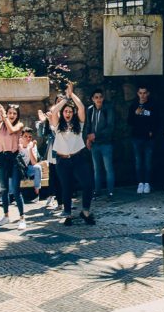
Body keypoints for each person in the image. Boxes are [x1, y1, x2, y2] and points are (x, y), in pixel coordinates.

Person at [49, 83, 96, 226]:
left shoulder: (79, 124)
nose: (67, 113)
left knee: (88, 184)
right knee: (66, 187)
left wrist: (72, 94)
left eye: (70, 111)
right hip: (63, 160)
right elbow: (53, 112)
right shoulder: (57, 125)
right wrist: (65, 99)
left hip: (78, 158)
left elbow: (81, 107)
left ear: (73, 113)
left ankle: (85, 211)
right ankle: (68, 214)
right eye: (65, 111)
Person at [0, 102, 27, 229]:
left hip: (14, 159)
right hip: (3, 158)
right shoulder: (3, 124)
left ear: (17, 115)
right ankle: (6, 216)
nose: (12, 115)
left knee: (16, 190)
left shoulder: (19, 125)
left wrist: (4, 116)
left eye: (14, 113)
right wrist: (0, 120)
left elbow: (12, 131)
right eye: (9, 112)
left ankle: (22, 218)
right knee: (4, 189)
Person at [85, 88, 115, 200]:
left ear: (103, 98)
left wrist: (96, 135)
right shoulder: (90, 110)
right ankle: (97, 191)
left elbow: (110, 127)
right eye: (96, 97)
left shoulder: (108, 109)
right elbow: (88, 125)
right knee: (96, 168)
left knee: (108, 168)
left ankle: (110, 191)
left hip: (106, 143)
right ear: (93, 99)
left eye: (100, 97)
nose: (98, 99)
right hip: (94, 144)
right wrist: (88, 138)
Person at [128, 86, 158, 193]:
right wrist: (135, 114)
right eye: (140, 93)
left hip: (149, 139)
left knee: (148, 162)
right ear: (137, 93)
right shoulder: (133, 105)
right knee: (138, 161)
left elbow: (157, 120)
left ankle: (147, 183)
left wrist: (152, 131)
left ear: (148, 93)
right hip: (136, 138)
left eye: (144, 93)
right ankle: (140, 183)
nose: (142, 95)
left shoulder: (153, 105)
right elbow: (129, 122)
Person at [36, 109, 62, 211]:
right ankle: (58, 202)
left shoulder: (61, 122)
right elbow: (41, 134)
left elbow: (57, 134)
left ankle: (63, 203)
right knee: (54, 177)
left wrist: (51, 120)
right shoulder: (49, 122)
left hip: (61, 153)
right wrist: (43, 122)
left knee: (62, 179)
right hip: (52, 154)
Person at [19, 128, 43, 201]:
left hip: (28, 168)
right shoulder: (18, 145)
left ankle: (37, 192)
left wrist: (30, 149)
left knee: (38, 167)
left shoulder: (32, 145)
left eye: (30, 137)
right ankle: (12, 196)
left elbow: (34, 163)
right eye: (25, 136)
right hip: (19, 169)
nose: (28, 138)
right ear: (21, 137)